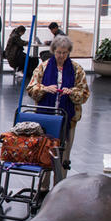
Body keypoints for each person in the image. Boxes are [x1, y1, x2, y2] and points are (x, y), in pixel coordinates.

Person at [26, 35, 90, 185]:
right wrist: (45, 88)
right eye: (59, 52)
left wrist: (72, 92)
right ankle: (43, 186)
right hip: (46, 117)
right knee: (44, 151)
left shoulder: (76, 69)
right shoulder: (43, 67)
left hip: (67, 119)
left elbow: (84, 93)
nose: (61, 56)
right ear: (53, 51)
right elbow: (31, 88)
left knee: (63, 153)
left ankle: (60, 185)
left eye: (64, 53)